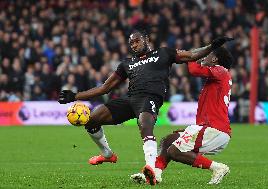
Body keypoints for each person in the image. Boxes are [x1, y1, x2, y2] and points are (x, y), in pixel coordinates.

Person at [58, 30, 233, 182]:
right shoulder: (127, 64)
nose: (134, 45)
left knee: (145, 126)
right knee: (92, 120)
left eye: (137, 40)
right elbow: (105, 87)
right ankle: (108, 155)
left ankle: (149, 169)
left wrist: (210, 46)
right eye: (131, 43)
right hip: (130, 99)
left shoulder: (163, 53)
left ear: (146, 40)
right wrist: (75, 96)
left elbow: (192, 56)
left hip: (150, 98)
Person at [131, 46, 234, 185]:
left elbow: (194, 69)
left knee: (174, 151)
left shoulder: (221, 70)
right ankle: (156, 174)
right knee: (168, 141)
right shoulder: (218, 76)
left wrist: (188, 56)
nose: (203, 57)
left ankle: (218, 168)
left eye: (207, 55)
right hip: (209, 128)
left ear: (215, 59)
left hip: (214, 129)